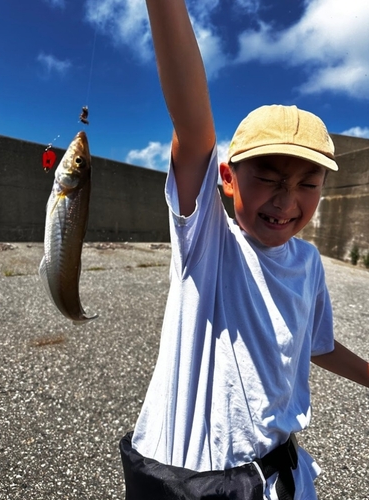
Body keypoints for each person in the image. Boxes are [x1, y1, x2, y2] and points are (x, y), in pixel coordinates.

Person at [119, 1, 369, 499]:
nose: (285, 199)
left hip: (282, 474)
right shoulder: (207, 241)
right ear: (228, 179)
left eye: (307, 184)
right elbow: (193, 131)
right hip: (193, 481)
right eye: (269, 177)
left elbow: (316, 345)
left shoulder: (309, 263)